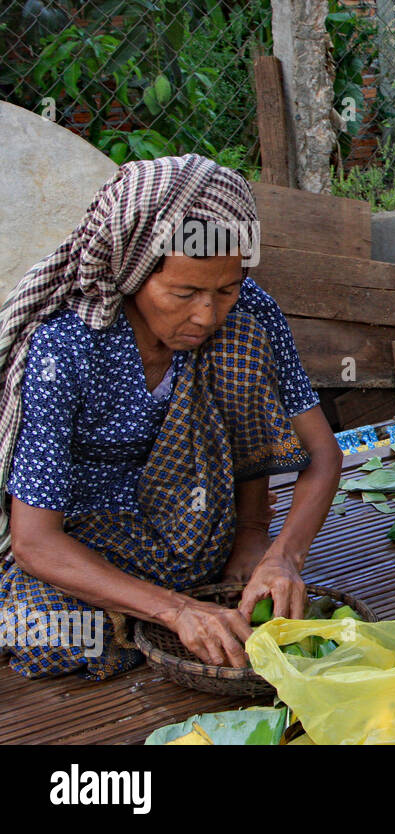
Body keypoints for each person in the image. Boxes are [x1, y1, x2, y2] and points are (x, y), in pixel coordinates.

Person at [0, 155, 343, 679]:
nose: (207, 314)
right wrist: (175, 610)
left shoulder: (248, 317)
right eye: (184, 293)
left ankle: (183, 611)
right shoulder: (67, 347)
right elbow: (34, 541)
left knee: (241, 338)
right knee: (49, 632)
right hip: (94, 552)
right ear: (132, 272)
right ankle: (167, 616)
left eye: (225, 289)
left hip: (209, 537)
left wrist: (275, 551)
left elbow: (322, 454)